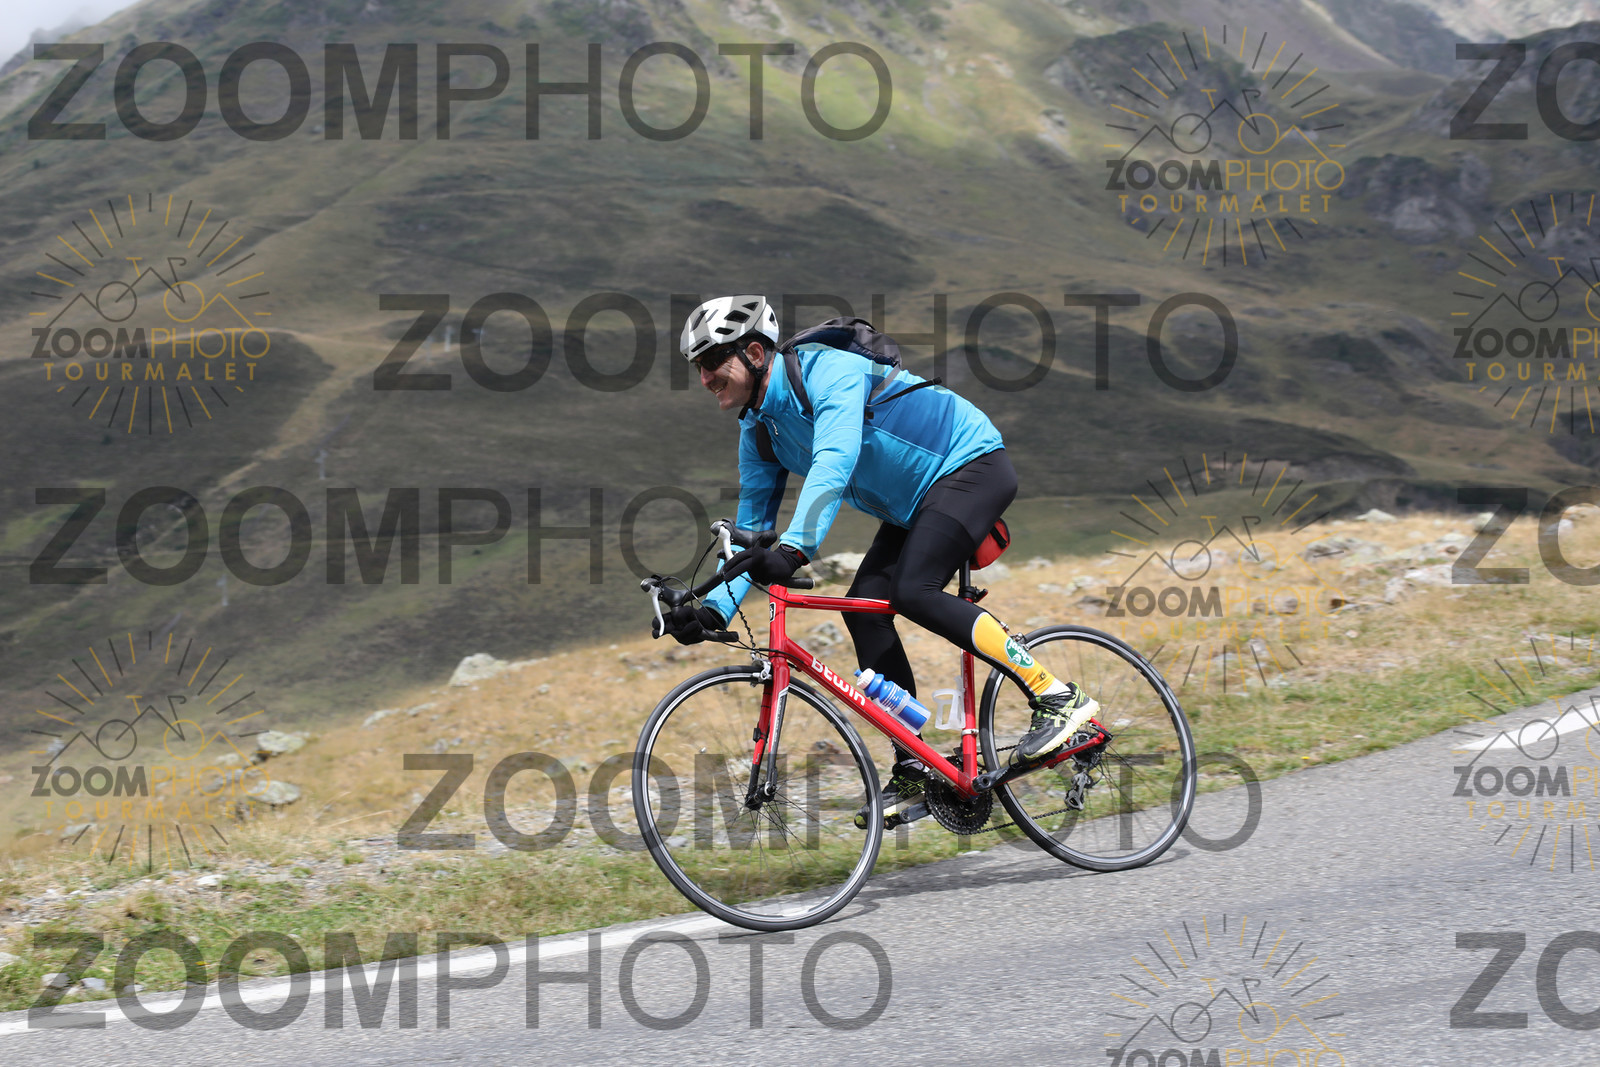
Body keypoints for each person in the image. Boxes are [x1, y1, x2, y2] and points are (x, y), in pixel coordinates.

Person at [659, 294, 1097, 821]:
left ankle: (1057, 697)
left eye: (713, 361)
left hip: (968, 465)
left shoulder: (826, 369)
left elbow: (835, 456)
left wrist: (794, 551)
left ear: (754, 352)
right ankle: (916, 764)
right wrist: (712, 610)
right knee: (862, 608)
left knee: (914, 591)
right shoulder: (759, 430)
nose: (705, 378)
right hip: (914, 505)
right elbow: (750, 531)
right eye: (698, 366)